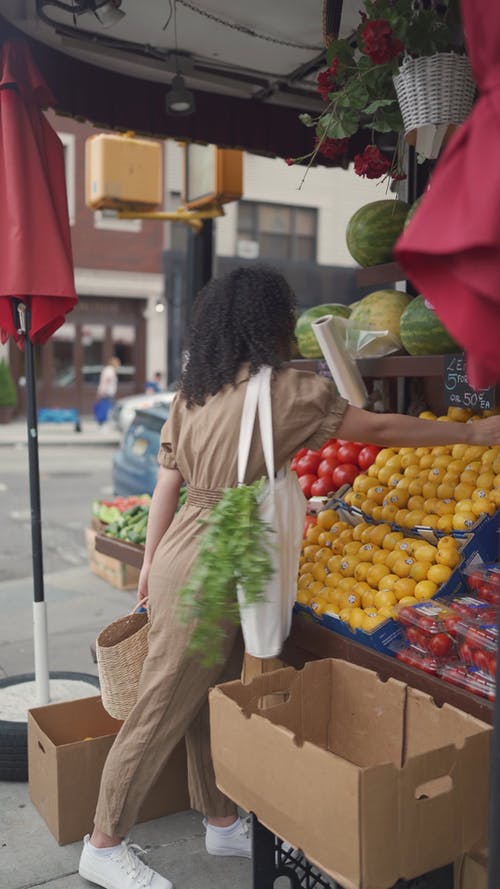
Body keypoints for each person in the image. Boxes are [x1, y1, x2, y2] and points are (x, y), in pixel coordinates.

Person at [79, 265, 500, 889]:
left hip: (185, 548)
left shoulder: (195, 391)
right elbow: (378, 429)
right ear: (271, 325)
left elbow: (167, 482)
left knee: (207, 691)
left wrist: (153, 564)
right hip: (222, 551)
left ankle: (220, 823)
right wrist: (475, 431)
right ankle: (104, 842)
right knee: (163, 703)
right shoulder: (284, 393)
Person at [93, 356, 120, 426]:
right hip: (106, 393)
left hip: (108, 393)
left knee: (109, 407)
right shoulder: (109, 370)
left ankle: (104, 422)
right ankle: (103, 422)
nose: (119, 365)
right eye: (118, 363)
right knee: (106, 408)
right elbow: (105, 381)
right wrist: (102, 391)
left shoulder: (110, 370)